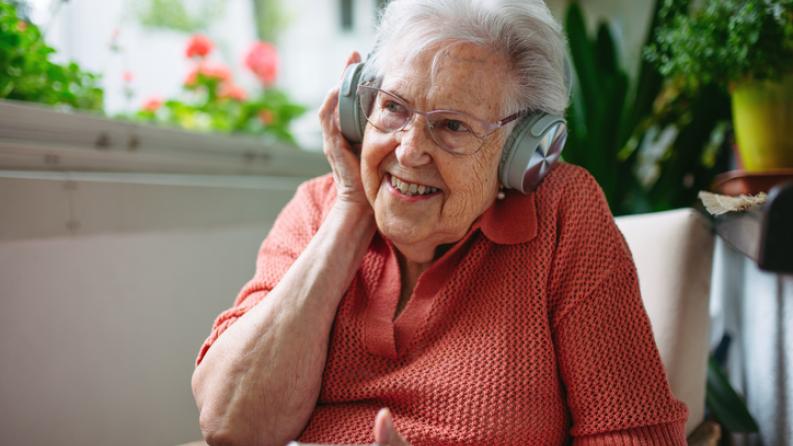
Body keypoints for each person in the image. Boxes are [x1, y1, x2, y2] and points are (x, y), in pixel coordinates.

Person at [191, 1, 688, 445]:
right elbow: (233, 426)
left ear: (523, 154)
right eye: (392, 108)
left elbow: (634, 435)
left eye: (452, 126)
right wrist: (349, 212)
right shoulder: (317, 209)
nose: (408, 149)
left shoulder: (563, 213)